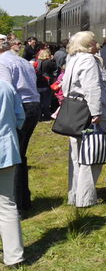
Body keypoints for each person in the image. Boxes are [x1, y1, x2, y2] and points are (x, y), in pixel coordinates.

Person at [62, 31, 106, 207]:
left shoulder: (72, 58)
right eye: (94, 41)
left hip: (76, 111)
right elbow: (92, 88)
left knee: (76, 155)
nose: (97, 44)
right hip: (89, 113)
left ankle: (74, 195)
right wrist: (96, 113)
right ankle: (86, 199)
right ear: (88, 45)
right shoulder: (88, 60)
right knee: (91, 155)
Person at [0, 38, 41, 211]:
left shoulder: (2, 63)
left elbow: (6, 91)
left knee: (13, 158)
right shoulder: (22, 61)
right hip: (33, 105)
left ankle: (15, 203)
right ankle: (23, 200)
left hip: (20, 107)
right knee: (20, 155)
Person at [0, 78, 26, 267]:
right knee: (7, 205)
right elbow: (20, 117)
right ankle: (14, 257)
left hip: (6, 148)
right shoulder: (6, 86)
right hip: (5, 150)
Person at [35, 48, 57, 121]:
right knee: (46, 101)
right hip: (47, 82)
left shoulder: (37, 62)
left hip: (38, 82)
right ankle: (46, 115)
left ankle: (39, 115)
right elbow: (55, 70)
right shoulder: (49, 62)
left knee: (39, 101)